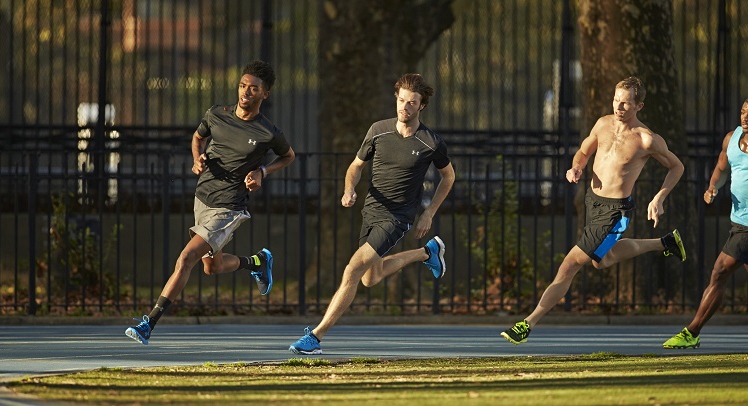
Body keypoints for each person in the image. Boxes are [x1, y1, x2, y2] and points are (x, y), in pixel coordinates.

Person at [501, 76, 687, 345]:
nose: (619, 107)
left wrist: (659, 197)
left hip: (615, 212)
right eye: (616, 100)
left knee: (570, 264)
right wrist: (576, 166)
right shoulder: (602, 124)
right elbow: (583, 151)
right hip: (593, 201)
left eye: (625, 103)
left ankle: (528, 323)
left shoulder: (647, 139)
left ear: (639, 106)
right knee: (604, 260)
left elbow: (677, 167)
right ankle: (665, 242)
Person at [125, 60, 296, 345]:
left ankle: (148, 323)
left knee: (186, 259)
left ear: (265, 94)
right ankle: (257, 261)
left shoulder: (268, 132)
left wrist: (262, 171)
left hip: (229, 206)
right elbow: (197, 137)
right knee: (211, 267)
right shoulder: (217, 114)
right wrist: (197, 158)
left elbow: (289, 156)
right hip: (202, 198)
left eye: (253, 89)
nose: (245, 93)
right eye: (243, 86)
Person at [288, 73, 456, 355]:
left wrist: (428, 214)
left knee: (352, 270)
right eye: (401, 100)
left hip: (398, 217)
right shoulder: (378, 130)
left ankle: (315, 337)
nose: (405, 107)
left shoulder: (431, 142)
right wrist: (348, 189)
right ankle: (426, 253)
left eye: (412, 103)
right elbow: (355, 166)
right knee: (370, 278)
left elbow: (449, 178)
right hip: (371, 211)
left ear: (422, 106)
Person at [663, 99, 748, 349]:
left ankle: (692, 331)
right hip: (739, 222)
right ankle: (692, 332)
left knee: (720, 271)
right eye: (743, 112)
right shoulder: (732, 138)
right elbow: (721, 169)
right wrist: (713, 188)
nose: (745, 117)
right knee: (719, 273)